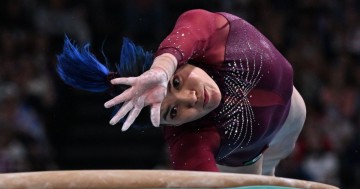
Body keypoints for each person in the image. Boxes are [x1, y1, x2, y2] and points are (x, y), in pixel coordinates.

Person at [57, 9, 306, 176]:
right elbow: (197, 176)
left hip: (290, 116)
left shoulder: (211, 36)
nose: (191, 99)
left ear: (181, 62)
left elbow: (187, 34)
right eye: (173, 112)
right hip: (245, 160)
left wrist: (162, 69)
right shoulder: (190, 138)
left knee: (277, 155)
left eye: (175, 83)